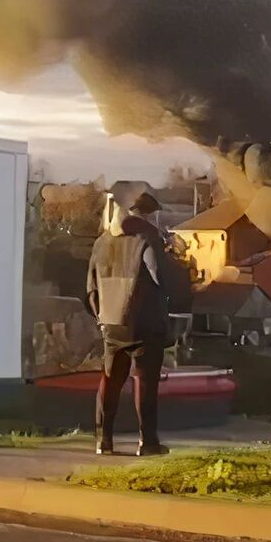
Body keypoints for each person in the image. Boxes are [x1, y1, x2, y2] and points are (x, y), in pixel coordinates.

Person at [86, 193, 170, 456]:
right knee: (144, 382)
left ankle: (104, 440)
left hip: (111, 323)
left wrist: (101, 317)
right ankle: (148, 442)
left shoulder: (101, 242)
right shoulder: (146, 238)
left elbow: (90, 288)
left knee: (110, 380)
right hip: (143, 324)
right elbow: (160, 277)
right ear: (145, 212)